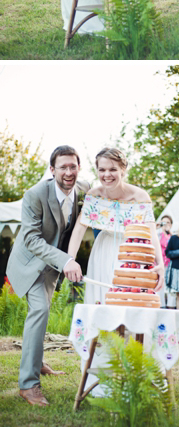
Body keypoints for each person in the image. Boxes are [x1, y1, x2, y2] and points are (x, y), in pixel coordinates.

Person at [5, 145, 89, 407]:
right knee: (39, 311)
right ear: (52, 170)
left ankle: (38, 362)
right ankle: (28, 385)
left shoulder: (84, 192)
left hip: (53, 266)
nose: (68, 172)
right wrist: (66, 260)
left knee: (45, 309)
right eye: (62, 167)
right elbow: (30, 238)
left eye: (72, 166)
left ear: (79, 168)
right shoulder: (35, 195)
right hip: (30, 262)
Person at [67, 147, 164, 305]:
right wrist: (70, 260)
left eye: (113, 169)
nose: (106, 175)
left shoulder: (139, 196)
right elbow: (79, 229)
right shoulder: (94, 195)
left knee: (130, 298)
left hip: (131, 252)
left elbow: (150, 233)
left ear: (123, 170)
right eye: (102, 170)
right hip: (103, 250)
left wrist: (159, 264)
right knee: (103, 298)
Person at [157, 214, 176, 308]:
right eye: (164, 222)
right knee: (160, 284)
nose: (166, 224)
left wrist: (170, 232)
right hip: (160, 263)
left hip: (171, 264)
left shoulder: (173, 236)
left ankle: (171, 306)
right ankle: (161, 305)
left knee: (171, 286)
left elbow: (178, 244)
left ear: (171, 224)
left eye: (168, 222)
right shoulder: (158, 235)